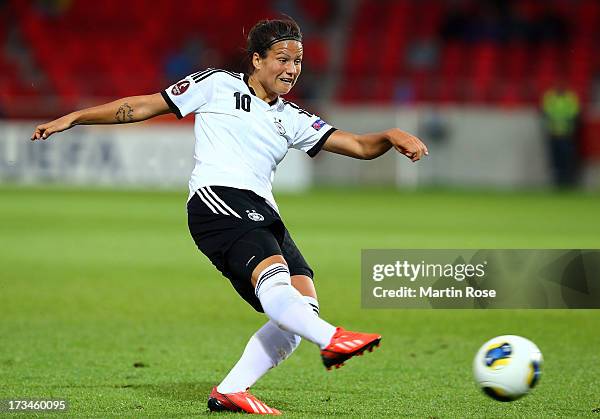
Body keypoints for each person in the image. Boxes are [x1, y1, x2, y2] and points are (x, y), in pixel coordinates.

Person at [31, 17, 428, 415]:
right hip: (217, 201)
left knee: (301, 308)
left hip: (263, 212)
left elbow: (358, 146)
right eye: (283, 59)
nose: (292, 69)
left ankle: (233, 390)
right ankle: (332, 339)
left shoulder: (291, 117)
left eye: (299, 61)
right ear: (256, 60)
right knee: (278, 283)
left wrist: (390, 136)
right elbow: (144, 106)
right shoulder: (217, 84)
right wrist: (77, 116)